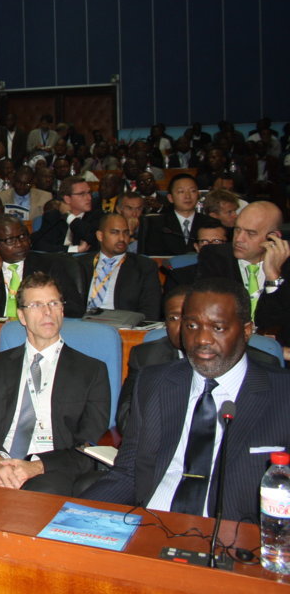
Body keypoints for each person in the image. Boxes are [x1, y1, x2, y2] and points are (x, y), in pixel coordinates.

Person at [84, 278, 290, 522]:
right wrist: (75, 517)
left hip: (235, 532)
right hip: (151, 522)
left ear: (246, 331)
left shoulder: (282, 394)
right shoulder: (154, 382)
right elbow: (128, 472)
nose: (202, 339)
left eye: (218, 328)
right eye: (192, 325)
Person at [0, 272, 109, 495]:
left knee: (37, 497)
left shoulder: (91, 371)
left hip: (52, 469)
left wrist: (36, 466)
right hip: (0, 461)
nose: (47, 312)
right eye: (36, 305)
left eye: (53, 303)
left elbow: (87, 445)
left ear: (62, 310)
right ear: (22, 316)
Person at [114, 284, 280, 433]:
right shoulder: (148, 359)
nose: (183, 328)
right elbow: (127, 423)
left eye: (216, 327)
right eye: (174, 318)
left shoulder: (262, 364)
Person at [196, 201, 289, 335]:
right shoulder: (214, 257)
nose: (239, 239)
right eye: (237, 229)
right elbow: (211, 312)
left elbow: (280, 322)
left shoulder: (287, 264)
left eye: (251, 233)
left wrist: (273, 278)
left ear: (273, 237)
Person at [0, 217, 85, 318]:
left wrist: (40, 310)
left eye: (22, 236)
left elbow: (76, 308)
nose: (19, 244)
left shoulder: (50, 266)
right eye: (10, 240)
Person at [79, 213, 162, 321]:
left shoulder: (144, 266)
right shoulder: (79, 264)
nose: (122, 238)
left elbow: (150, 310)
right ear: (100, 236)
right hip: (82, 324)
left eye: (126, 233)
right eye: (115, 232)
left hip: (122, 326)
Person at [142, 174, 212, 256]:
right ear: (170, 198)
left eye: (192, 191)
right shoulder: (157, 224)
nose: (187, 196)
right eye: (181, 191)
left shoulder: (210, 223)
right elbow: (153, 255)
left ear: (198, 195)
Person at [31, 176, 99, 254]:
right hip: (57, 260)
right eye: (82, 194)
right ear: (67, 199)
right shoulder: (53, 216)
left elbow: (92, 239)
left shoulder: (97, 215)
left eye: (89, 192)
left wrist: (68, 216)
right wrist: (75, 249)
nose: (89, 198)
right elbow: (39, 245)